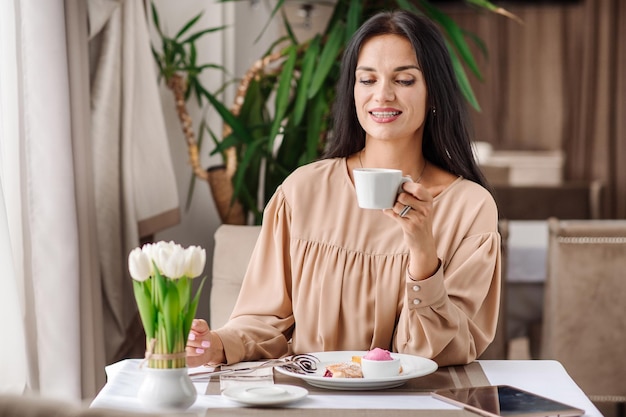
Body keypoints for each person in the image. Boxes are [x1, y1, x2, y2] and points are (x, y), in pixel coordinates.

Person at [186, 10, 501, 368]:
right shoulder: (302, 191)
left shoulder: (470, 208)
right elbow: (263, 321)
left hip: (417, 403)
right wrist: (217, 344)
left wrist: (423, 254)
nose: (382, 95)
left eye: (405, 80)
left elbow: (442, 351)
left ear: (433, 93)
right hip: (311, 400)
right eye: (367, 80)